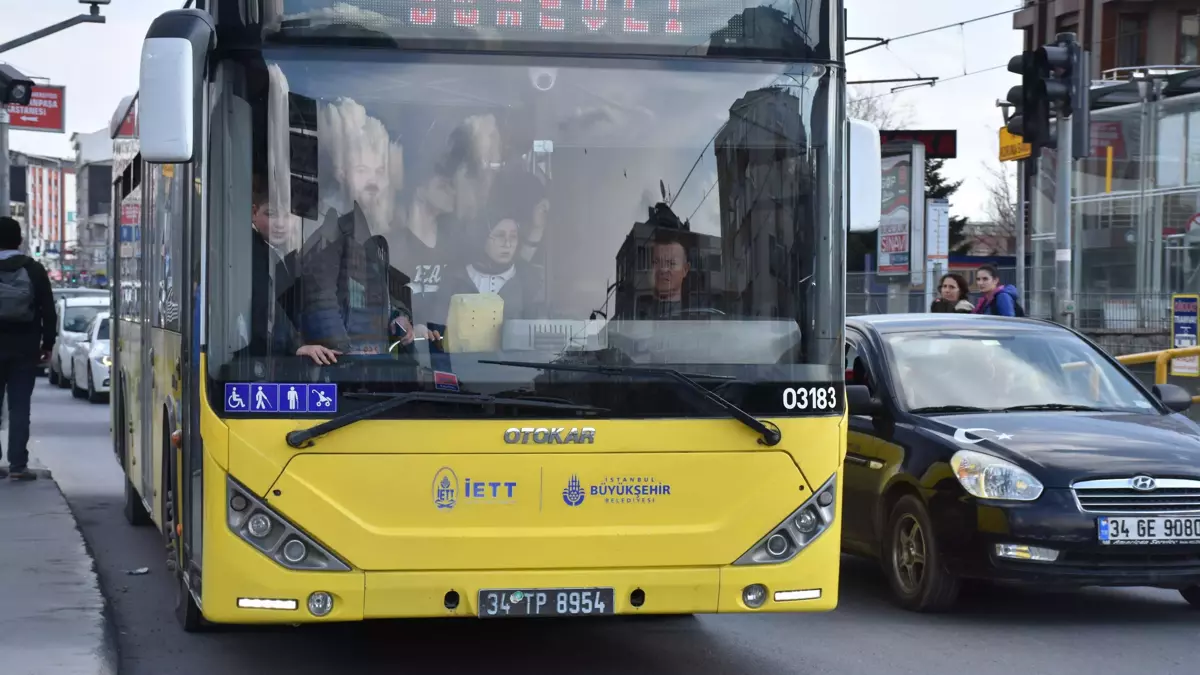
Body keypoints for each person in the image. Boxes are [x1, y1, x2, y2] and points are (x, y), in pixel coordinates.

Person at [0, 217, 56, 481]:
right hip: (25, 349)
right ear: (20, 240)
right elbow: (48, 308)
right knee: (19, 408)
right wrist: (47, 344)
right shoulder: (33, 269)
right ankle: (18, 466)